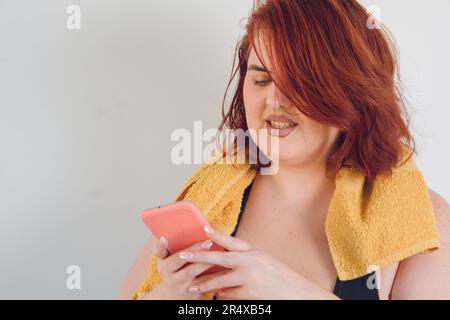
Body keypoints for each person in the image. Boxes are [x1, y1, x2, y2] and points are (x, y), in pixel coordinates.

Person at [118, 0, 450, 300]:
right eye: (261, 81)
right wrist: (170, 295)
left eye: (300, 83)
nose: (274, 101)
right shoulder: (208, 201)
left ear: (353, 90)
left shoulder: (420, 217)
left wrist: (293, 291)